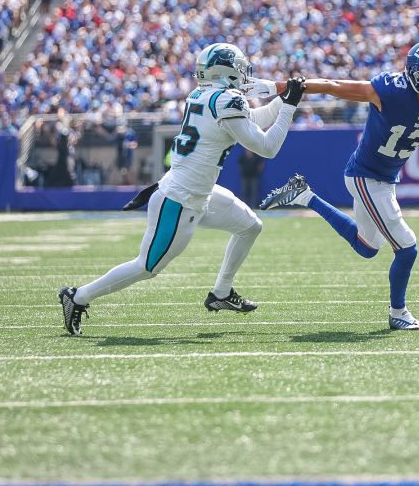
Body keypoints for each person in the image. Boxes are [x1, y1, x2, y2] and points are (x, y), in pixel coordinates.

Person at [57, 43, 307, 336]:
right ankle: (77, 296)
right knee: (147, 267)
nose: (244, 73)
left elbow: (252, 121)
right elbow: (267, 147)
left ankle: (221, 294)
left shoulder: (203, 95)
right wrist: (288, 105)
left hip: (200, 193)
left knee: (250, 226)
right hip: (179, 200)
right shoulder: (227, 101)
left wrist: (287, 98)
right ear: (226, 71)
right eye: (239, 67)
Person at [258, 39, 419, 331]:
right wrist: (289, 86)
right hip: (367, 175)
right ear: (416, 76)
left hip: (385, 177)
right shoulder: (389, 91)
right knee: (407, 247)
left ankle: (305, 196)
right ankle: (398, 312)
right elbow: (333, 85)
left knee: (367, 247)